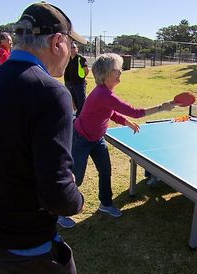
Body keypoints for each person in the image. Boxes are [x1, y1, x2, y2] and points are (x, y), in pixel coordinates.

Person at [0, 2, 87, 274]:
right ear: (57, 42)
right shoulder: (51, 92)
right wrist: (77, 200)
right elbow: (57, 193)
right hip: (22, 249)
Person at [57, 53, 178, 228]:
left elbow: (111, 112)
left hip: (97, 139)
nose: (120, 72)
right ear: (106, 73)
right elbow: (135, 111)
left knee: (105, 171)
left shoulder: (106, 94)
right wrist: (162, 107)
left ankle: (105, 204)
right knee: (77, 177)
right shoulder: (103, 94)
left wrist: (125, 122)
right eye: (117, 70)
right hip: (81, 138)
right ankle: (61, 213)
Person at [64, 42, 89, 117]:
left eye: (74, 47)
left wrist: (82, 78)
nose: (72, 49)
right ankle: (76, 115)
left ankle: (83, 116)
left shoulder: (80, 58)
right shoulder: (67, 58)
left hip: (79, 84)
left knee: (81, 102)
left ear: (77, 49)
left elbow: (86, 70)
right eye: (70, 47)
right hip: (69, 83)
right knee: (72, 101)